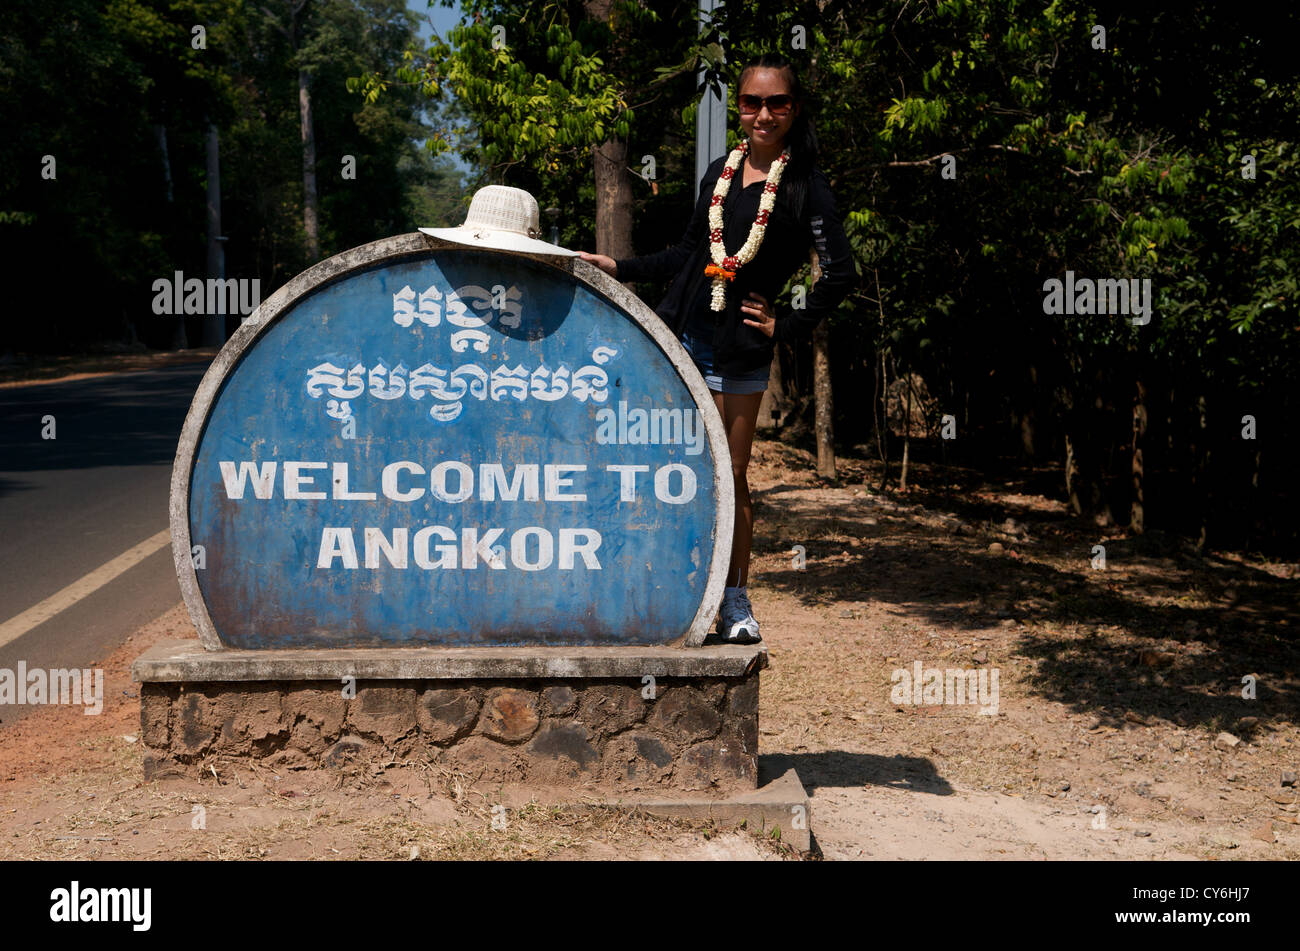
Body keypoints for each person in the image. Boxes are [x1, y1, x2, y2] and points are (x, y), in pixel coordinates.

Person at [579, 53, 855, 643]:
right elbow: (686, 253)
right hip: (682, 337)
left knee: (731, 476)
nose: (763, 114)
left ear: (793, 109)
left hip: (740, 352)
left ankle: (733, 602)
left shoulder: (806, 188)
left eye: (776, 102)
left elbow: (839, 273)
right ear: (739, 110)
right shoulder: (718, 173)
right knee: (671, 469)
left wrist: (787, 324)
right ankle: (668, 590)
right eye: (751, 102)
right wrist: (621, 266)